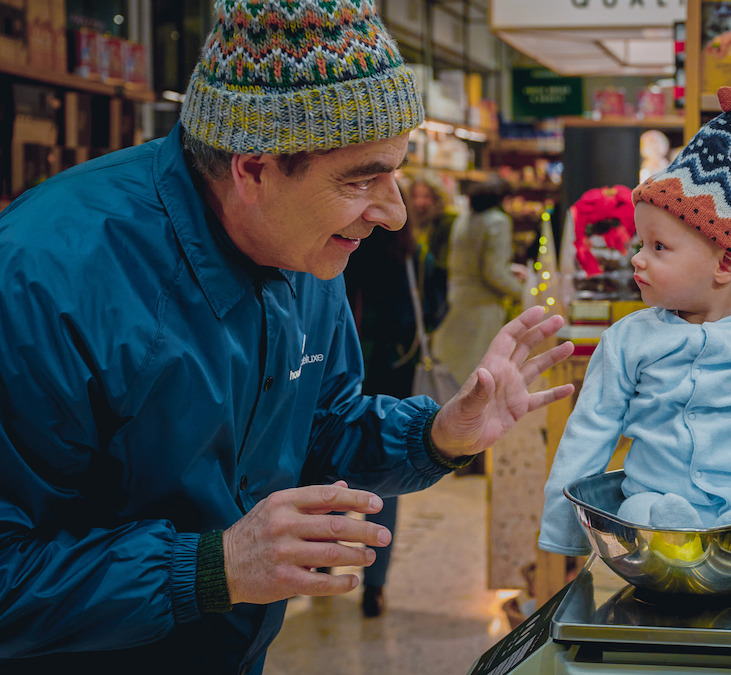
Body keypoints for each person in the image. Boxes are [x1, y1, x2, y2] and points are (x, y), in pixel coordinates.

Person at [0, 2, 573, 673]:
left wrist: (437, 435)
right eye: (361, 178)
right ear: (254, 170)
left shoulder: (304, 249)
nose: (393, 213)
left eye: (396, 172)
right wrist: (212, 568)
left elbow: (322, 426)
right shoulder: (45, 279)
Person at [538, 88, 731, 556]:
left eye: (658, 247)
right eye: (641, 244)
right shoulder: (627, 340)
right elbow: (590, 429)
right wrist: (564, 527)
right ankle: (691, 534)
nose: (637, 258)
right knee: (637, 510)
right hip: (655, 497)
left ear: (724, 265)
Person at [342, 178, 448, 618]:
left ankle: (319, 563)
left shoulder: (342, 249)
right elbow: (437, 305)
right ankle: (375, 586)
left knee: (329, 465)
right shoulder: (413, 257)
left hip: (344, 370)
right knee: (385, 473)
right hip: (396, 372)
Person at [432, 175, 529, 386]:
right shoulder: (498, 221)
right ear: (504, 198)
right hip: (482, 308)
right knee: (479, 373)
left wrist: (509, 269)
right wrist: (525, 293)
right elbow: (493, 273)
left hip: (455, 301)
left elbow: (468, 262)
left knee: (454, 373)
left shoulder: (463, 218)